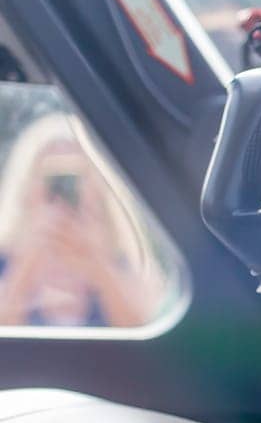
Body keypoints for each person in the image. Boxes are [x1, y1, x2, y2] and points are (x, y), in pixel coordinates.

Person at [0, 112, 167, 327]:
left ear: (100, 184)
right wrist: (28, 262)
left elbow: (148, 331)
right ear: (27, 185)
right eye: (52, 177)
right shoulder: (5, 261)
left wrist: (98, 265)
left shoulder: (125, 260)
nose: (65, 192)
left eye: (76, 175)